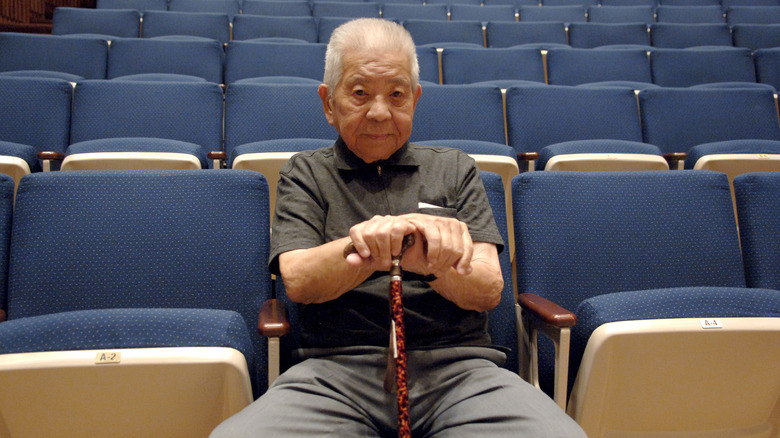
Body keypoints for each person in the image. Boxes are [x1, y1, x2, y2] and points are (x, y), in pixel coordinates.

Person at [210, 18, 586, 437]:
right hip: (333, 373)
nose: (379, 112)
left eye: (396, 94)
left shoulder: (455, 168)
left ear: (415, 99)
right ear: (327, 103)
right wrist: (374, 246)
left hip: (461, 372)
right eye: (359, 93)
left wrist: (430, 262)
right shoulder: (305, 173)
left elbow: (487, 288)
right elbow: (298, 279)